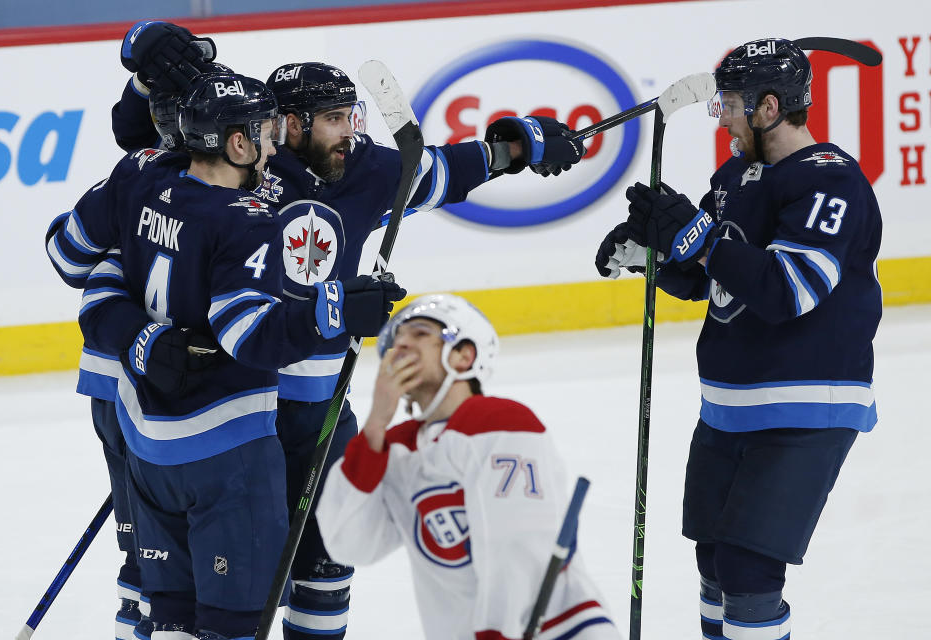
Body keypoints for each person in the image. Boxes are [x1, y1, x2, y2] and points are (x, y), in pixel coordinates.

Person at [109, 36, 588, 640]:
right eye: (333, 119)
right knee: (230, 590)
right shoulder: (241, 161)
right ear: (284, 124)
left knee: (326, 568)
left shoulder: (364, 168)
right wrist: (145, 84)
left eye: (350, 116)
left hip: (321, 413)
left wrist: (515, 147)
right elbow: (146, 145)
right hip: (240, 407)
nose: (348, 132)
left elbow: (440, 169)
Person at [60, 70, 405, 640]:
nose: (276, 146)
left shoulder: (144, 182)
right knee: (233, 625)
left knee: (164, 612)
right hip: (229, 448)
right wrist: (335, 310)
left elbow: (88, 275)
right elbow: (247, 335)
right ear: (237, 143)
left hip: (147, 439)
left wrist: (139, 341)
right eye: (266, 132)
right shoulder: (245, 219)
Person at [595, 38, 882, 640]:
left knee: (749, 570)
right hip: (728, 409)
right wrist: (653, 253)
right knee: (714, 564)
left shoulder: (831, 181)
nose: (721, 116)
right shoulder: (735, 176)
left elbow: (788, 289)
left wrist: (697, 237)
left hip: (804, 406)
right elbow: (711, 278)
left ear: (769, 107)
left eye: (729, 104)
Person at [44, 21, 220, 638]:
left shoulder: (135, 177)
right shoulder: (170, 180)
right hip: (150, 387)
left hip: (139, 384)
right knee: (173, 564)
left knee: (155, 561)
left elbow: (68, 257)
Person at [316, 294, 620, 640]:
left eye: (419, 333)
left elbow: (517, 549)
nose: (400, 343)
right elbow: (349, 544)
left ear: (464, 355)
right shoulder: (397, 448)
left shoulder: (500, 421)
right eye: (395, 339)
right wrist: (374, 427)